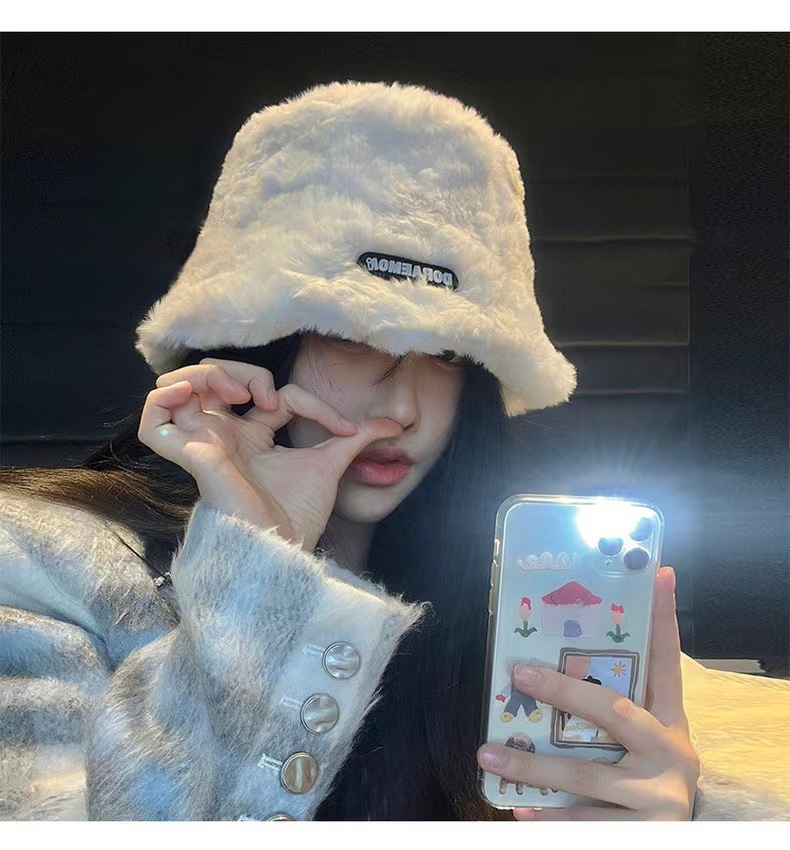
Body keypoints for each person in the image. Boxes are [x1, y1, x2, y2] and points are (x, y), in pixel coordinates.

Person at [1, 80, 788, 822]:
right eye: (354, 338)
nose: (405, 408)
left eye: (445, 355)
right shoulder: (42, 561)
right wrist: (254, 564)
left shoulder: (509, 610)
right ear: (257, 343)